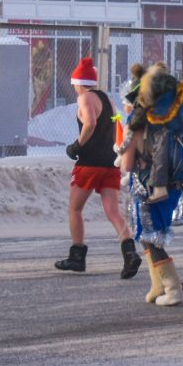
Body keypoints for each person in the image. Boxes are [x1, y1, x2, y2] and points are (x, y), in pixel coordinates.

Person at [118, 63, 183, 307]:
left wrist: (122, 153)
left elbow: (128, 164)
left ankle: (172, 288)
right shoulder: (167, 119)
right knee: (148, 237)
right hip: (171, 185)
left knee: (151, 237)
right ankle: (157, 285)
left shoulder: (138, 122)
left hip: (149, 187)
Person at [55, 57, 140, 279]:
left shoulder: (85, 99)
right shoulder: (108, 99)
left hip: (89, 163)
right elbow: (116, 122)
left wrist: (77, 145)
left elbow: (90, 123)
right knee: (113, 211)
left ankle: (77, 255)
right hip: (109, 163)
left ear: (78, 82)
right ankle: (129, 251)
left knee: (75, 208)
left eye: (74, 83)